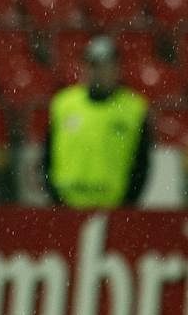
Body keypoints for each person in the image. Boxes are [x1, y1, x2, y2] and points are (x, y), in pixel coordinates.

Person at [44, 35, 152, 209]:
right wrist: (55, 198)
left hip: (114, 208)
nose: (98, 72)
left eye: (104, 65)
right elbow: (47, 156)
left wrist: (127, 205)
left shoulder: (134, 109)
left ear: (117, 68)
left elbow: (141, 164)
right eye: (93, 65)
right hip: (66, 207)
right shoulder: (63, 104)